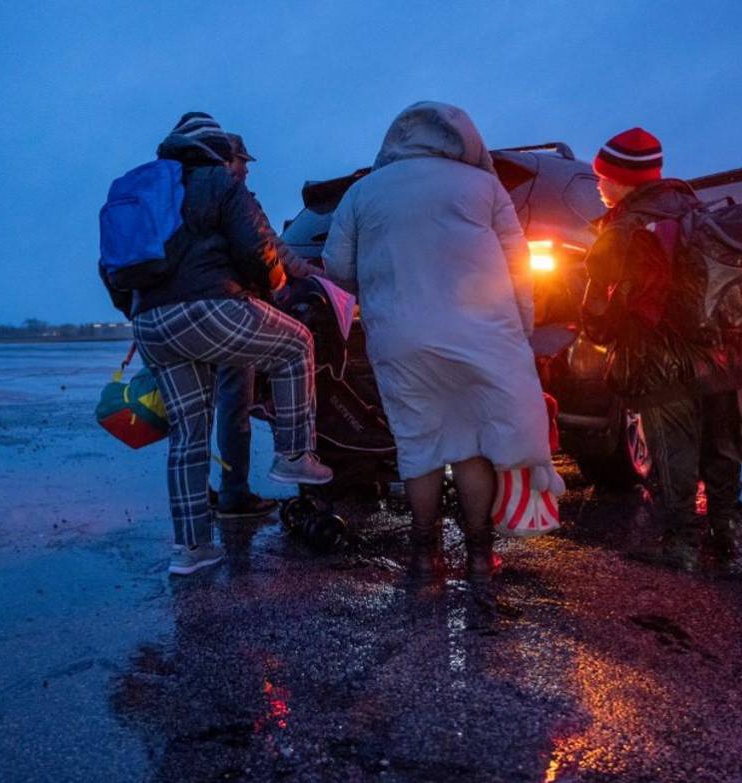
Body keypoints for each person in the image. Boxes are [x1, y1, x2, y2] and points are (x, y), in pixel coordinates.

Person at [322, 101, 560, 580]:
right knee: (472, 444)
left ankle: (423, 554)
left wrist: (377, 285)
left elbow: (337, 268)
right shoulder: (484, 186)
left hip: (400, 337)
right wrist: (524, 328)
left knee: (418, 443)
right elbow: (518, 268)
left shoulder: (362, 192)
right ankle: (477, 554)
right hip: (479, 334)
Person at [109, 112, 333, 576]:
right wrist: (272, 287)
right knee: (297, 345)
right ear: (216, 149)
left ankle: (191, 550)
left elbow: (109, 265)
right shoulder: (219, 181)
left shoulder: (141, 187)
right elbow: (258, 247)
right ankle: (294, 456)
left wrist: (141, 311)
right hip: (210, 306)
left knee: (188, 439)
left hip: (151, 323)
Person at [581, 127, 742, 570]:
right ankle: (727, 534)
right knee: (723, 445)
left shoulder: (626, 226)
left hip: (664, 362)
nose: (599, 186)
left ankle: (679, 544)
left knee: (671, 451)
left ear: (622, 179)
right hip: (726, 353)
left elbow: (600, 309)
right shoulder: (701, 212)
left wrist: (596, 332)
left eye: (602, 177)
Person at [212, 133, 324, 519]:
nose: (245, 168)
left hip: (188, 314)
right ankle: (239, 491)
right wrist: (311, 277)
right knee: (235, 403)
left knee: (201, 413)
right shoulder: (233, 197)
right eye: (242, 160)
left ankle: (203, 508)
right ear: (227, 160)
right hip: (234, 310)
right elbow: (269, 247)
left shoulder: (184, 197)